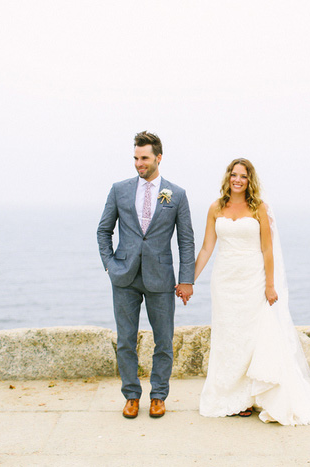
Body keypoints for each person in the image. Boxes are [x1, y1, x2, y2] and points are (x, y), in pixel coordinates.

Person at [190, 158, 310, 425]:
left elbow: (267, 249)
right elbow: (207, 248)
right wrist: (189, 280)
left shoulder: (259, 208)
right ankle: (227, 396)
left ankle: (248, 397)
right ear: (228, 177)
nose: (237, 179)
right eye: (234, 174)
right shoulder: (215, 207)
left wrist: (270, 285)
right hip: (224, 280)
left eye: (243, 175)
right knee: (227, 337)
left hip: (252, 280)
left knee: (250, 338)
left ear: (249, 180)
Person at [97, 131, 195, 419]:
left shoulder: (176, 194)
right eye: (136, 158)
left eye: (145, 158)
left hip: (160, 277)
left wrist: (186, 278)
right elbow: (104, 230)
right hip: (124, 276)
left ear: (158, 158)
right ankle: (130, 395)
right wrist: (110, 265)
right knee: (126, 339)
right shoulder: (119, 189)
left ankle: (158, 395)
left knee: (163, 340)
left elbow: (186, 240)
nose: (139, 164)